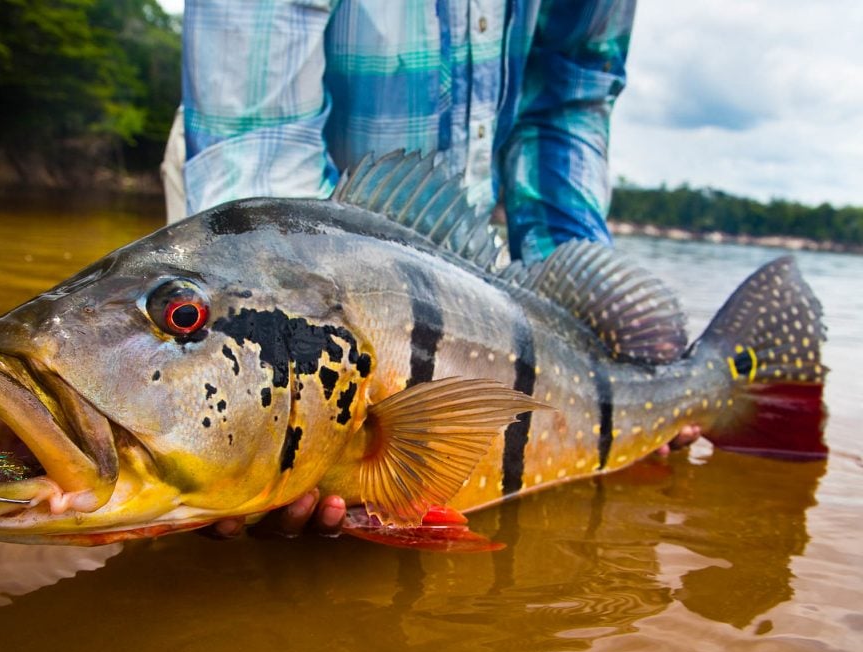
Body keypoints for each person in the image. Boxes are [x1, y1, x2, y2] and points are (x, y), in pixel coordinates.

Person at [165, 0, 697, 538]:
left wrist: (611, 346)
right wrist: (280, 438)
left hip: (453, 263)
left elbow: (564, 103)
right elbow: (257, 140)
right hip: (253, 224)